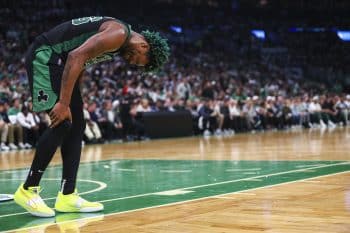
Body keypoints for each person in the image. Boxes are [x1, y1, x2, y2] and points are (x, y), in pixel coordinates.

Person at [14, 16, 170, 217]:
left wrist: (74, 100)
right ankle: (28, 189)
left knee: (77, 124)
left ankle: (67, 195)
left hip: (61, 64)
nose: (132, 62)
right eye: (138, 60)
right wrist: (63, 102)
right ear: (143, 46)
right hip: (46, 56)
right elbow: (75, 57)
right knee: (62, 122)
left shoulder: (118, 42)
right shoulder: (119, 34)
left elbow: (81, 61)